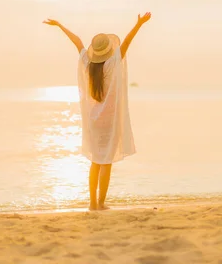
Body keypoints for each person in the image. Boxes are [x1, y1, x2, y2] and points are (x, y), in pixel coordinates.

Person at [43, 12, 152, 210]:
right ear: (109, 49)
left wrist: (59, 25)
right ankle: (101, 203)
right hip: (109, 121)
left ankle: (92, 202)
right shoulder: (113, 62)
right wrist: (139, 24)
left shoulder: (87, 64)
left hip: (94, 121)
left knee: (95, 162)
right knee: (106, 162)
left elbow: (77, 41)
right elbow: (127, 41)